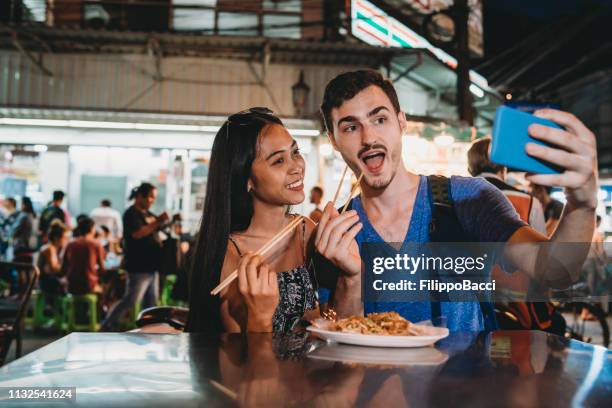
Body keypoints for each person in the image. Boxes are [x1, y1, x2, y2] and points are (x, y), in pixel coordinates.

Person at [315, 70, 598, 331]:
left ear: (401, 122)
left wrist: (582, 205)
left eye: (379, 119)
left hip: (468, 383)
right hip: (375, 385)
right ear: (334, 140)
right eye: (351, 128)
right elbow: (341, 339)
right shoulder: (335, 236)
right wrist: (351, 280)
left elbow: (554, 271)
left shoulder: (469, 198)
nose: (369, 138)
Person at [186, 107, 317, 334]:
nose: (297, 166)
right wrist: (259, 317)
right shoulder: (230, 253)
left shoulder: (306, 231)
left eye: (295, 152)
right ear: (247, 180)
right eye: (278, 161)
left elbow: (333, 316)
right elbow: (236, 359)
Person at [468, 137, 565, 336]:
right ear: (503, 169)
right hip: (518, 307)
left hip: (469, 306)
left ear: (470, 168)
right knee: (555, 326)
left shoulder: (455, 196)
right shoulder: (528, 202)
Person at [100, 183, 167, 331]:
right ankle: (107, 325)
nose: (152, 201)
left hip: (151, 266)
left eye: (154, 198)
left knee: (151, 303)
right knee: (131, 299)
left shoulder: (148, 215)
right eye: (150, 197)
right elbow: (137, 234)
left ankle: (149, 331)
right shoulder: (131, 214)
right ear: (139, 197)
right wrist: (157, 222)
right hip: (138, 266)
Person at [63, 217, 106, 296]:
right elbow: (102, 269)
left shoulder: (70, 244)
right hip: (88, 286)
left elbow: (64, 267)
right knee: (108, 288)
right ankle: (100, 307)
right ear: (91, 229)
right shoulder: (96, 244)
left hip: (71, 286)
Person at [37, 220, 69, 296]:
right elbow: (54, 268)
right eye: (65, 238)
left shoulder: (53, 249)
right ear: (56, 238)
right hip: (46, 283)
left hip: (48, 280)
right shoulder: (49, 249)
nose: (66, 240)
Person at [10, 197, 36, 263]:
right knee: (26, 267)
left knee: (19, 266)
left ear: (24, 205)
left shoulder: (23, 215)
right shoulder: (33, 216)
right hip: (30, 246)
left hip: (20, 246)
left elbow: (14, 230)